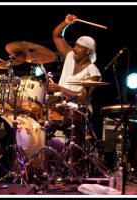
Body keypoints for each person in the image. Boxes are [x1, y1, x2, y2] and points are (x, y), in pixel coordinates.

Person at [48, 14, 101, 154]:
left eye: (80, 47)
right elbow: (57, 36)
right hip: (60, 107)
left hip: (79, 111)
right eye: (76, 45)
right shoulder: (70, 56)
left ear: (88, 51)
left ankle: (75, 158)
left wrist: (60, 88)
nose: (75, 49)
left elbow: (83, 98)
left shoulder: (93, 71)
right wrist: (66, 23)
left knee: (74, 123)